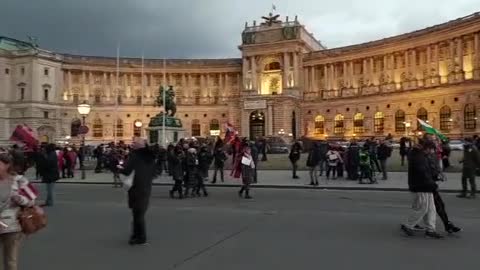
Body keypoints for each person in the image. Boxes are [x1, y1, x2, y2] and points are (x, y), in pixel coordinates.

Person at [0, 153, 36, 270]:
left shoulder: (20, 180)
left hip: (12, 227)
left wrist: (20, 199)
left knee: (10, 260)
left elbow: (31, 201)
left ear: (7, 165)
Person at [401, 139, 443, 239]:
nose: (433, 152)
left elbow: (427, 171)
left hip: (426, 185)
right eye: (433, 149)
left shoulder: (422, 156)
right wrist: (432, 183)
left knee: (431, 209)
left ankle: (430, 230)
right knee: (422, 208)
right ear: (428, 148)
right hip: (421, 186)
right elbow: (422, 173)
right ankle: (408, 225)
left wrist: (435, 177)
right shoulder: (418, 156)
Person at [119, 137, 156, 245]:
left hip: (136, 187)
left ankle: (140, 237)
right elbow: (155, 172)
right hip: (145, 186)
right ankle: (136, 235)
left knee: (137, 214)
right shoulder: (150, 156)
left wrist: (118, 167)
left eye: (134, 143)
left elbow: (126, 170)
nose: (132, 144)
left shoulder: (134, 156)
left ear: (140, 145)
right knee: (139, 213)